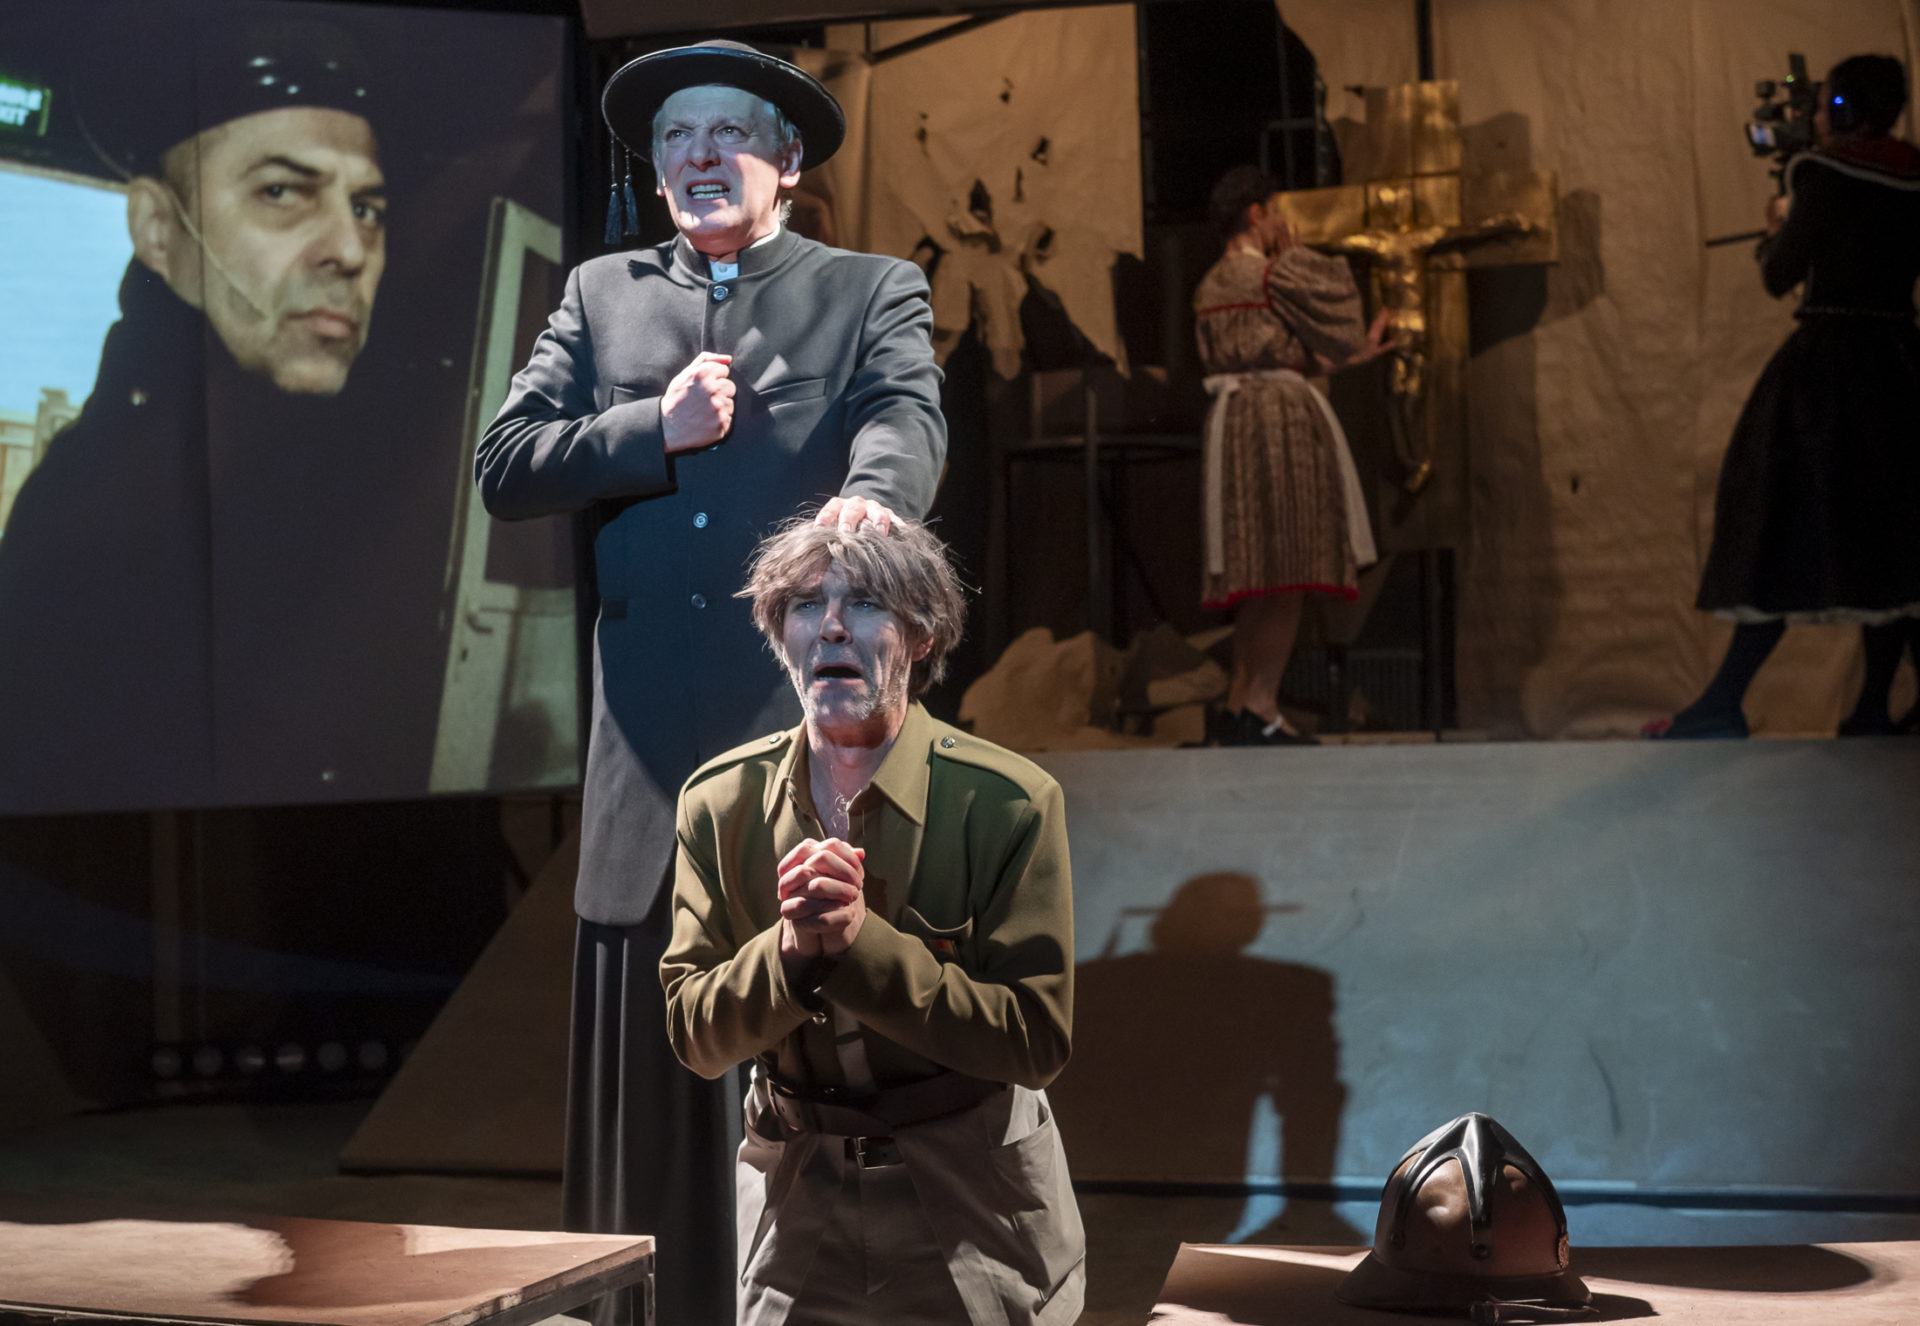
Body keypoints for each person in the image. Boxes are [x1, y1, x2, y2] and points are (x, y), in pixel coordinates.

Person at [475, 39, 947, 1326]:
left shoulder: (867, 289)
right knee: (653, 1086)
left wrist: (873, 498)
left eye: (727, 133)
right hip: (645, 759)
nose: (697, 156)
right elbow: (507, 463)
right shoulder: (600, 295)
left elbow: (906, 415)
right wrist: (652, 428)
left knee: (817, 1069)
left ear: (785, 161)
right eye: (675, 137)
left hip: (796, 741)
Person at [663, 516, 1084, 1326]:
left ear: (922, 636)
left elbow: (1036, 1040)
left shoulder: (1006, 801)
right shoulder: (719, 803)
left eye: (863, 603)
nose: (830, 626)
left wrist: (863, 948)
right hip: (797, 1203)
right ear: (779, 637)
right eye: (805, 604)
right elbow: (695, 1035)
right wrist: (788, 954)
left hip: (973, 1200)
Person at [0, 2, 387, 811]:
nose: (351, 250)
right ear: (157, 230)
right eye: (282, 191)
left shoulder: (350, 465)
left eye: (366, 209)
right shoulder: (91, 506)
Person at [1654, 55, 1920, 739]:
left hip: (1828, 369)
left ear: (1844, 109)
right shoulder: (1911, 174)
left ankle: (1723, 702)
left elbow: (1781, 276)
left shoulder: (1820, 174)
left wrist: (1778, 225)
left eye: (1826, 104)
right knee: (1891, 539)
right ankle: (1871, 708)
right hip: (1900, 364)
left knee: (1775, 521)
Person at [1192, 166, 1388, 746]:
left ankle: (1241, 704)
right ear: (1257, 214)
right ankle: (1261, 703)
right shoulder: (1275, 273)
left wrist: (1344, 358)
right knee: (1289, 569)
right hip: (1278, 421)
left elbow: (1273, 351)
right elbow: (1343, 316)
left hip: (1235, 421)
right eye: (1276, 210)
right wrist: (1297, 257)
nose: (1283, 222)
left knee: (1260, 571)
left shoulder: (1210, 283)